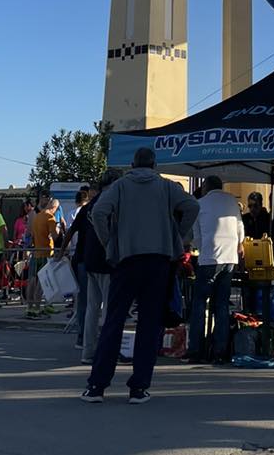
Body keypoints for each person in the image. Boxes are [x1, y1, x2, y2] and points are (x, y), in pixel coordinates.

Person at [83, 147, 199, 404]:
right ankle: (138, 388)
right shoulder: (167, 187)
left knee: (114, 321)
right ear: (155, 165)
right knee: (150, 324)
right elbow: (191, 206)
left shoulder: (120, 186)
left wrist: (109, 242)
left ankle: (97, 386)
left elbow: (99, 212)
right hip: (158, 261)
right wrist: (176, 236)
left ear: (133, 165)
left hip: (126, 260)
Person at [185, 175, 245, 364]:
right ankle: (220, 351)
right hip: (230, 259)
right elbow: (241, 230)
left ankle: (196, 350)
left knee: (199, 304)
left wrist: (202, 251)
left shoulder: (200, 204)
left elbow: (196, 236)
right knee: (222, 305)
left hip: (209, 258)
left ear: (205, 187)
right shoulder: (233, 203)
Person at [80, 172, 118, 365]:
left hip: (90, 260)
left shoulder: (91, 205)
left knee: (92, 308)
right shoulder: (110, 202)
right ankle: (106, 350)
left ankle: (88, 350)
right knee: (109, 308)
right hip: (105, 260)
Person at [60, 185, 96, 341]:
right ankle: (86, 335)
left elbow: (69, 231)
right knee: (91, 300)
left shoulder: (81, 211)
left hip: (80, 257)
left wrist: (62, 252)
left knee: (84, 299)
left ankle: (84, 335)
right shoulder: (92, 209)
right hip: (91, 259)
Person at [27, 198, 63, 317]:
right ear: (55, 208)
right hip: (46, 253)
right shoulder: (50, 218)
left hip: (36, 251)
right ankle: (37, 308)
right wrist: (58, 228)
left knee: (32, 280)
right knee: (42, 282)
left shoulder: (38, 216)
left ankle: (30, 307)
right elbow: (55, 236)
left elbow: (31, 233)